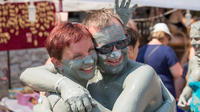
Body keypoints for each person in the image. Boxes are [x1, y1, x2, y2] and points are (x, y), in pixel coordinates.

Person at [20, 0, 175, 112]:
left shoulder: (142, 74)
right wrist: (65, 86)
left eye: (121, 43)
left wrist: (57, 102)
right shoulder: (92, 69)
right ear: (92, 47)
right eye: (106, 47)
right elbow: (28, 74)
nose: (115, 53)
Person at [137, 23, 183, 98]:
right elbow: (178, 74)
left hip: (145, 94)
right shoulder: (167, 50)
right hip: (165, 94)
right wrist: (178, 95)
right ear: (166, 36)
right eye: (169, 39)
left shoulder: (140, 50)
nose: (168, 42)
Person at [178, 21, 200, 112]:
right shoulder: (193, 60)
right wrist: (183, 96)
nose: (193, 42)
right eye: (191, 39)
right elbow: (189, 86)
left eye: (197, 38)